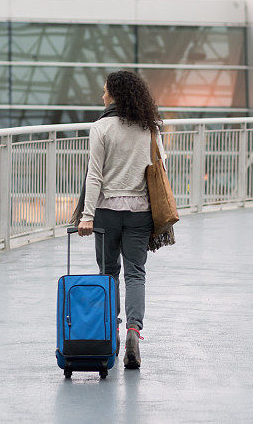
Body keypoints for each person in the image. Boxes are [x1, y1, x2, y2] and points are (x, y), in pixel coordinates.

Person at [76, 70, 165, 369]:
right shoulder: (149, 128)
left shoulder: (100, 128)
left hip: (105, 213)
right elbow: (160, 166)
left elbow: (94, 175)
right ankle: (133, 332)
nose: (102, 96)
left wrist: (87, 216)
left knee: (108, 273)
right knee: (135, 274)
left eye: (105, 91)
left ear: (114, 95)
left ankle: (112, 331)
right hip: (140, 212)